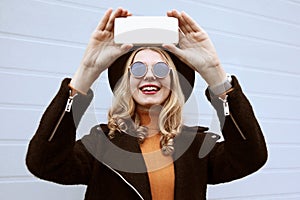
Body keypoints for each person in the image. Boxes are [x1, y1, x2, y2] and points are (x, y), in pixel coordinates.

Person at [26, 7, 268, 200]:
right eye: (138, 68)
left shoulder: (195, 145)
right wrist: (86, 72)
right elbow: (44, 163)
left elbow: (250, 157)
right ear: (127, 81)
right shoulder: (101, 144)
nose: (150, 76)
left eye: (161, 68)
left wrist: (214, 72)